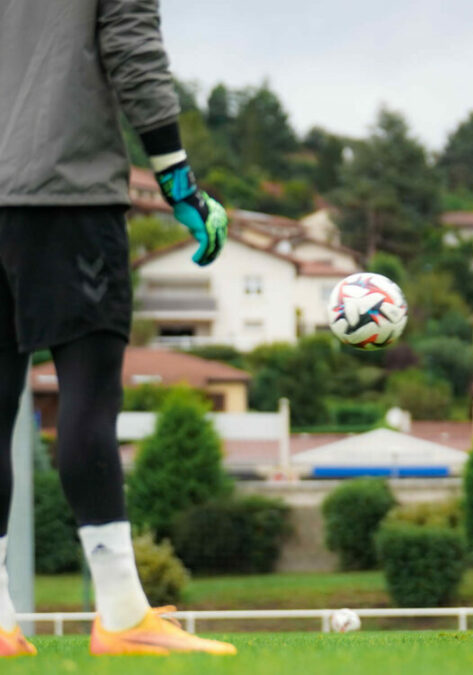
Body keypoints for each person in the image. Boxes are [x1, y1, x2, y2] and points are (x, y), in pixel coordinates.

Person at [0, 0, 231, 656]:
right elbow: (134, 54)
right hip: (64, 198)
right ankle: (124, 613)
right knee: (87, 397)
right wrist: (180, 186)